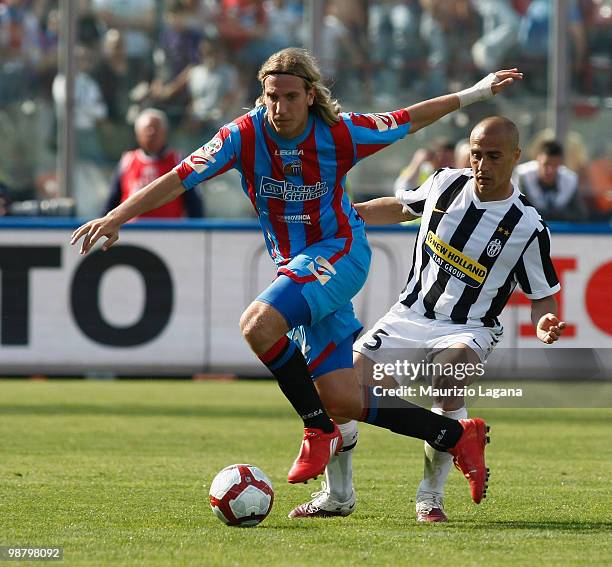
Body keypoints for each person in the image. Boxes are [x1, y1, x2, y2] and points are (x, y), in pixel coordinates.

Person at [71, 48, 522, 493]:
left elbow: (409, 117)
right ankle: (454, 435)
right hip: (299, 267)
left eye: (290, 96)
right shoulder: (242, 137)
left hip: (341, 252)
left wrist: (478, 92)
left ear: (310, 95)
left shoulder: (340, 133)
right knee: (342, 398)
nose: (280, 107)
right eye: (272, 96)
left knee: (258, 324)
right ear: (262, 96)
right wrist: (116, 217)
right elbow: (179, 177)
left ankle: (316, 430)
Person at [289, 116, 565, 521]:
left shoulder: (527, 226)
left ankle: (429, 497)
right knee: (341, 392)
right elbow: (401, 207)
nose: (482, 165)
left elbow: (543, 296)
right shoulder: (445, 184)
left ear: (515, 157)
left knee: (449, 376)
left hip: (469, 328)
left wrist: (545, 323)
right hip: (409, 315)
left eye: (493, 156)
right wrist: (350, 216)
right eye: (475, 154)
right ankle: (338, 496)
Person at [104, 108, 203, 219]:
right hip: (131, 232)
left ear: (165, 132)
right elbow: (112, 202)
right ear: (138, 134)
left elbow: (194, 204)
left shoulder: (178, 161)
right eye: (147, 129)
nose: (151, 132)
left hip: (169, 231)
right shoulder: (127, 161)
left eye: (156, 128)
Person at [515, 140, 588, 222]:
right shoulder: (524, 176)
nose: (550, 170)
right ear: (538, 160)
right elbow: (519, 211)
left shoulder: (570, 180)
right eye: (546, 164)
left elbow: (580, 215)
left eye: (555, 165)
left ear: (560, 163)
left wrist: (555, 214)